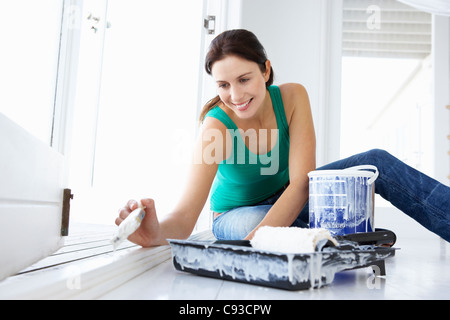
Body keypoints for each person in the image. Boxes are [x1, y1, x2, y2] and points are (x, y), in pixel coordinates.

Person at [115, 29, 450, 245]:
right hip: (238, 215)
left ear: (265, 69)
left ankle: (327, 237)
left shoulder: (292, 98)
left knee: (375, 162)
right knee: (271, 223)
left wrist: (264, 240)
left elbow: (303, 182)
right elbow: (185, 219)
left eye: (244, 79)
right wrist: (156, 232)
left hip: (293, 195)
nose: (235, 95)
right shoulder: (215, 128)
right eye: (223, 85)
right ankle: (332, 239)